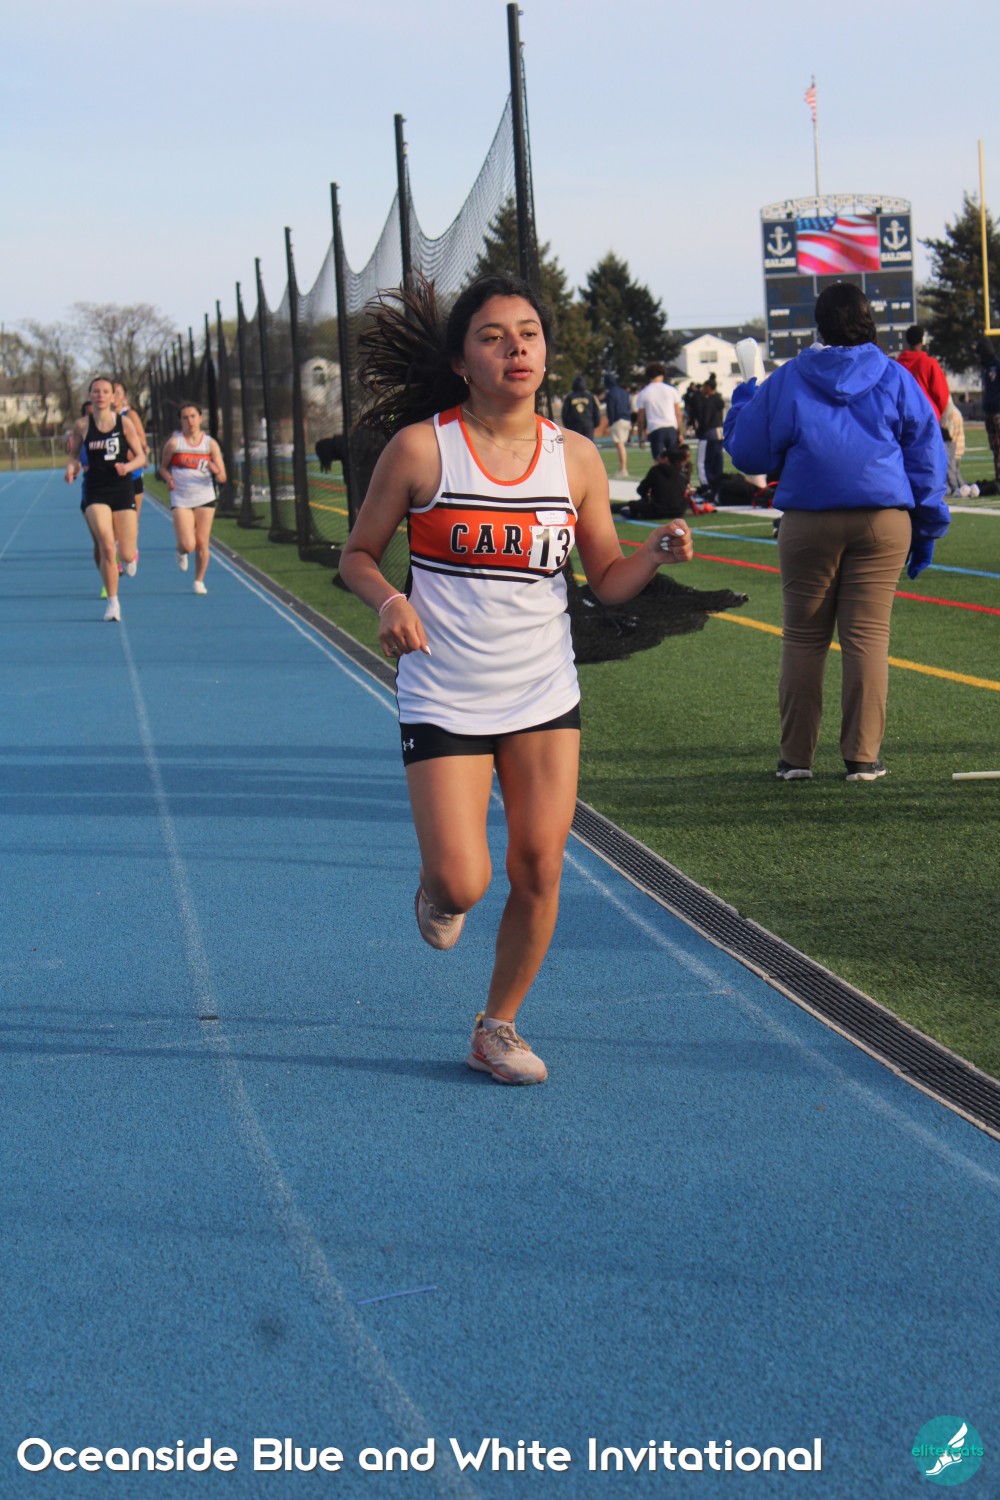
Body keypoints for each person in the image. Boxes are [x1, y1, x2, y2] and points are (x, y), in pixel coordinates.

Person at [338, 273, 693, 1085]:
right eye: (493, 337)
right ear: (461, 361)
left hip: (542, 693)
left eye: (528, 333)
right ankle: (437, 889)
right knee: (464, 881)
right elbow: (357, 555)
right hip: (444, 691)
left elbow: (605, 580)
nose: (516, 349)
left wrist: (651, 554)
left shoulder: (576, 457)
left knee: (539, 866)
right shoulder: (423, 449)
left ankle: (496, 1027)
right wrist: (391, 599)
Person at [724, 283, 949, 783]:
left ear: (819, 326)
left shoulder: (790, 378)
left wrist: (745, 398)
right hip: (882, 518)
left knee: (803, 639)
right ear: (869, 322)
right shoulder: (894, 376)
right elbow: (926, 458)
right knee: (867, 638)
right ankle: (863, 758)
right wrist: (929, 526)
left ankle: (796, 759)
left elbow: (749, 453)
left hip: (809, 518)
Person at [65, 375, 146, 621]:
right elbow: (73, 456)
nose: (100, 395)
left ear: (113, 397)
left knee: (127, 554)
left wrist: (127, 467)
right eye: (96, 391)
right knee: (107, 546)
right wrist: (71, 469)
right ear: (90, 396)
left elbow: (141, 457)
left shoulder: (124, 424)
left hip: (121, 488)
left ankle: (130, 556)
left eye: (105, 391)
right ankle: (113, 603)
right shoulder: (82, 425)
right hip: (95, 490)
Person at [158, 401, 227, 594]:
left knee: (202, 543)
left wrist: (215, 470)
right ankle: (181, 551)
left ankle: (199, 580)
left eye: (193, 416)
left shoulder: (210, 444)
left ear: (200, 418)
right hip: (181, 498)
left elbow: (223, 477)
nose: (190, 421)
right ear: (181, 421)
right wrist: (169, 479)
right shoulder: (174, 443)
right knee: (188, 544)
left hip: (205, 496)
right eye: (185, 418)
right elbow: (162, 468)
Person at [612, 444, 690, 519]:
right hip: (678, 512)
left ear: (665, 459)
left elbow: (641, 489)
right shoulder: (682, 472)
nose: (656, 460)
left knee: (634, 505)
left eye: (659, 458)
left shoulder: (656, 470)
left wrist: (647, 498)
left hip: (656, 511)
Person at [896, 325, 950, 420]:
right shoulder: (930, 363)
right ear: (922, 340)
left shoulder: (896, 366)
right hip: (927, 418)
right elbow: (941, 395)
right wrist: (936, 413)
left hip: (904, 418)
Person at [634, 363, 683, 458]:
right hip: (671, 428)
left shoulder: (644, 393)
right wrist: (680, 433)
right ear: (662, 374)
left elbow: (640, 419)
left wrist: (640, 437)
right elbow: (678, 414)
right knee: (674, 460)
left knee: (659, 460)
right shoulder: (671, 390)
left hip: (655, 430)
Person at [693, 374, 725, 503]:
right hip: (719, 432)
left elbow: (705, 418)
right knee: (717, 462)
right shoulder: (719, 400)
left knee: (702, 463)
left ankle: (707, 487)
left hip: (708, 433)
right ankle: (716, 487)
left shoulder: (708, 401)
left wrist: (700, 430)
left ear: (708, 387)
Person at [978, 338, 1000, 487]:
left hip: (997, 412)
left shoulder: (996, 366)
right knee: (994, 447)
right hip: (989, 412)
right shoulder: (986, 368)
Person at [603, 371, 632, 476]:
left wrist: (610, 423)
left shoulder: (610, 393)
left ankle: (623, 469)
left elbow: (611, 409)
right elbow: (628, 405)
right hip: (627, 419)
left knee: (620, 445)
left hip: (617, 420)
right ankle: (623, 468)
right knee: (622, 444)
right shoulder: (623, 391)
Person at [560, 375, 601, 441]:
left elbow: (565, 413)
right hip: (588, 424)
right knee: (588, 444)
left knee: (576, 444)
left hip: (575, 425)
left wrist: (568, 426)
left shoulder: (570, 397)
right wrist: (595, 424)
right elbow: (596, 411)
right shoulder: (590, 396)